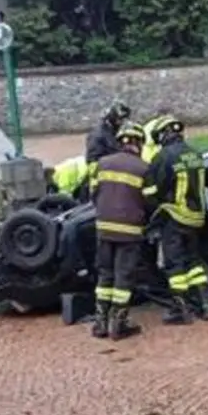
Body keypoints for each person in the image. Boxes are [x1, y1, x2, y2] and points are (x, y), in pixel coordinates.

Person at [144, 115, 208, 323]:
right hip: (196, 218)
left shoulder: (163, 157)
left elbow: (151, 191)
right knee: (193, 261)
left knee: (174, 266)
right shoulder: (195, 153)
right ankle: (205, 305)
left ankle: (181, 311)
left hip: (175, 217)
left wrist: (152, 215)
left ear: (164, 134)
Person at [91, 122, 150, 340]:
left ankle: (100, 324)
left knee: (105, 275)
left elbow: (94, 194)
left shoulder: (103, 163)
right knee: (123, 279)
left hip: (104, 229)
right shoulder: (144, 168)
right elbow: (150, 201)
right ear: (139, 143)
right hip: (130, 231)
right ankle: (118, 325)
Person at [85, 101, 132, 184]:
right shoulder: (98, 135)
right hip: (102, 179)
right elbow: (92, 162)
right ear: (113, 118)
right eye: (120, 119)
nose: (122, 123)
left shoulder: (116, 133)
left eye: (124, 119)